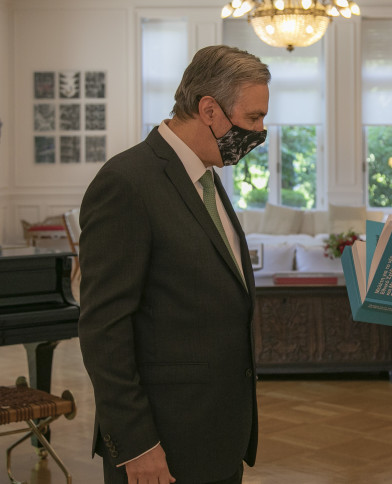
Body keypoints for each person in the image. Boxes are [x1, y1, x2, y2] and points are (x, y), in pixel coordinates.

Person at [78, 45, 270, 484]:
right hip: (161, 445)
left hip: (218, 436)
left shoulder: (206, 177)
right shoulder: (126, 182)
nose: (260, 131)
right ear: (209, 110)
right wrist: (136, 444)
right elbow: (104, 328)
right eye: (254, 117)